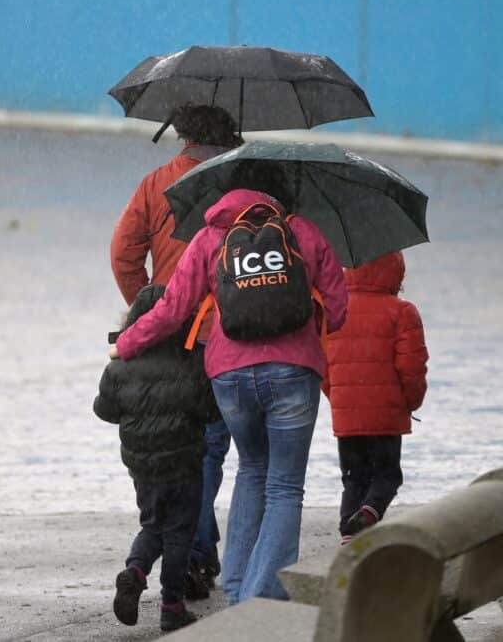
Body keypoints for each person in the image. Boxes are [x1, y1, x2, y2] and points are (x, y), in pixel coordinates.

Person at [109, 187, 348, 603]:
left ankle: (237, 592)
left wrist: (126, 343)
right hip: (293, 372)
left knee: (251, 470)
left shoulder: (210, 237)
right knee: (285, 486)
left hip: (229, 375)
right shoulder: (304, 233)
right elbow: (339, 311)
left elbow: (172, 309)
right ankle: (261, 598)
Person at [110, 104, 242, 593]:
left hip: (169, 334)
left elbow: (123, 254)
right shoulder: (240, 186)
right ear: (228, 136)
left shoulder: (156, 184)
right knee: (211, 449)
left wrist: (149, 305)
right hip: (227, 335)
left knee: (178, 449)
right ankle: (196, 554)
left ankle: (181, 553)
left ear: (184, 136)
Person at [93, 284, 221, 631]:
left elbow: (104, 411)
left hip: (143, 465)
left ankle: (135, 571)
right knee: (179, 532)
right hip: (184, 462)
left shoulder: (119, 367)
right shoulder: (192, 361)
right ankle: (172, 606)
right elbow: (210, 411)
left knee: (152, 526)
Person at [321, 252, 428, 544]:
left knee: (353, 477)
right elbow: (412, 366)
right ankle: (369, 512)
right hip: (387, 414)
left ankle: (348, 532)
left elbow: (323, 365)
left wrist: (338, 398)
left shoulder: (334, 311)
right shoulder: (402, 312)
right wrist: (411, 402)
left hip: (347, 413)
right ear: (396, 271)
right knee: (387, 476)